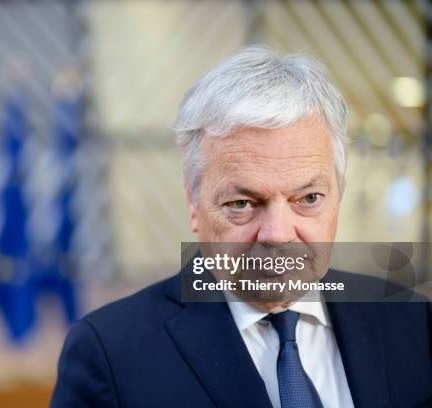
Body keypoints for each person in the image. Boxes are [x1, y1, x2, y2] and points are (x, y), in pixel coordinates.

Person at [50, 46, 432, 407]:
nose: (278, 234)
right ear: (193, 204)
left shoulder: (414, 322)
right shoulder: (111, 355)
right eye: (242, 204)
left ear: (339, 194)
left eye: (309, 198)